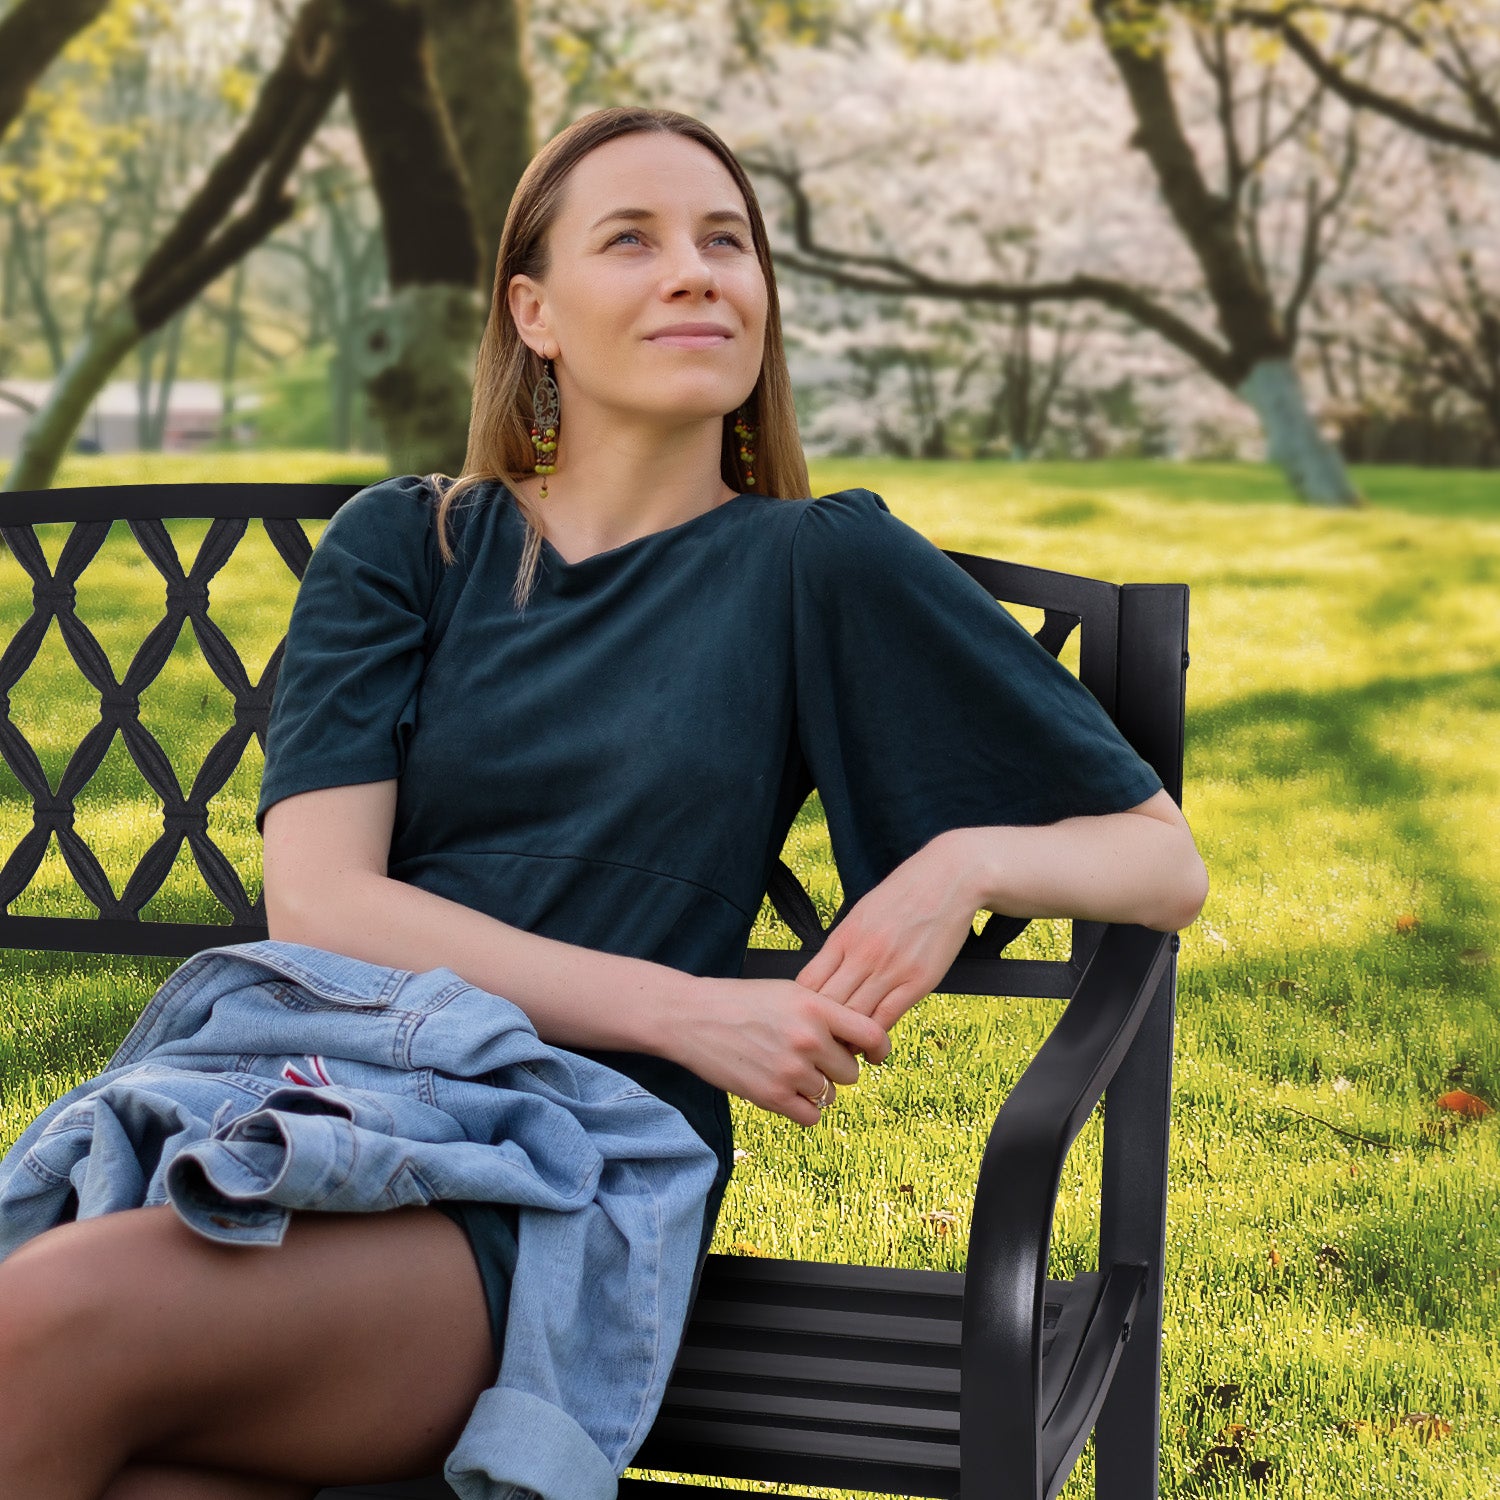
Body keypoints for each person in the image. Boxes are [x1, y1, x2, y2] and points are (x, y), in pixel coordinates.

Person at [0, 105, 1207, 1500]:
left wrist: (961, 869)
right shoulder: (410, 546)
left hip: (551, 1166)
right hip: (306, 1100)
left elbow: (1162, 863)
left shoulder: (814, 564)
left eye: (727, 243)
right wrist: (692, 1013)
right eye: (631, 240)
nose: (696, 273)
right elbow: (322, 905)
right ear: (536, 314)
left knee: (40, 1328)